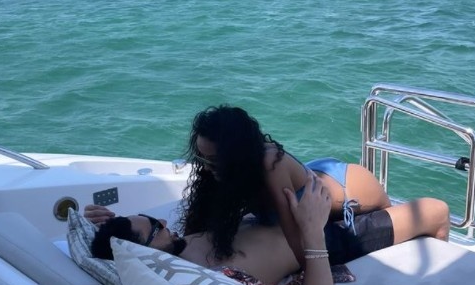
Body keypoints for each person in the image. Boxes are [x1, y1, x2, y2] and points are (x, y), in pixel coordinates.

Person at [177, 104, 450, 267]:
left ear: (236, 154)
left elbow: (297, 239)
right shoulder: (229, 170)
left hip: (351, 191)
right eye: (201, 158)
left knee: (407, 225)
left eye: (214, 160)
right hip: (314, 176)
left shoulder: (270, 165)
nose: (205, 167)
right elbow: (196, 224)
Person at [91, 170, 344, 285]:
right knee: (349, 184)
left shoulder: (171, 256)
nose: (163, 221)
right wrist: (313, 233)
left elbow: (127, 244)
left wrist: (103, 226)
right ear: (144, 254)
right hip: (323, 234)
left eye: (149, 217)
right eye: (155, 227)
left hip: (284, 218)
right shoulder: (214, 282)